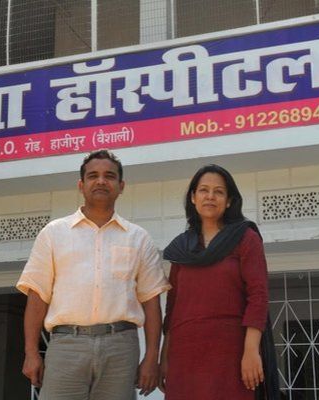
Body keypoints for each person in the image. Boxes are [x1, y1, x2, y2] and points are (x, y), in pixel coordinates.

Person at [17, 149, 171, 400]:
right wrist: (31, 352)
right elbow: (37, 296)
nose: (101, 181)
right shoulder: (53, 233)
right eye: (93, 176)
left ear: (121, 186)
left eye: (109, 176)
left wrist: (151, 357)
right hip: (66, 346)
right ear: (81, 185)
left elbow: (151, 302)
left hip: (121, 348)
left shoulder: (138, 238)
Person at [160, 164, 280, 400]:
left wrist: (251, 350)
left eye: (219, 192)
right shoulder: (182, 248)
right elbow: (172, 309)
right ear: (193, 197)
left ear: (228, 201)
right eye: (204, 190)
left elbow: (258, 296)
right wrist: (165, 356)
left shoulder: (245, 238)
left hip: (230, 353)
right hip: (184, 356)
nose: (210, 196)